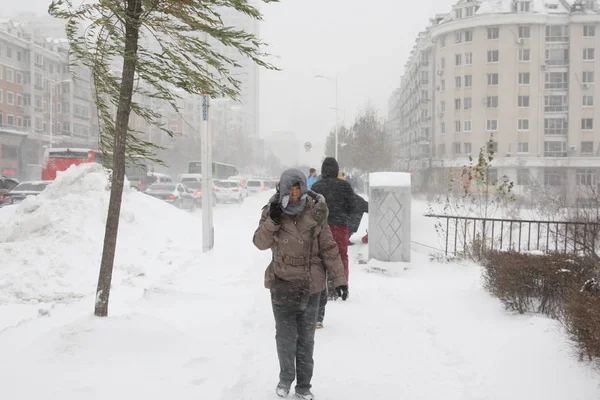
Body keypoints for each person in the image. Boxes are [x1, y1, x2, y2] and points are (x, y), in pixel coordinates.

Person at [253, 168, 348, 400]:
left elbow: (328, 248)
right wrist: (272, 222)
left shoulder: (315, 212)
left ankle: (304, 387)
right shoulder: (272, 211)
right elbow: (259, 242)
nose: (295, 194)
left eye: (299, 189)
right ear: (282, 188)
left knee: (306, 340)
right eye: (290, 189)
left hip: (310, 286)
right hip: (282, 283)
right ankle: (285, 379)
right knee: (285, 337)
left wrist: (339, 280)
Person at [311, 157, 355, 327]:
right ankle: (341, 285)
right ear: (337, 170)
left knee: (321, 257)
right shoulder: (345, 186)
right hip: (340, 227)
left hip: (321, 226)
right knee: (341, 256)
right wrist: (343, 215)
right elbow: (352, 206)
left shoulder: (316, 187)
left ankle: (323, 288)